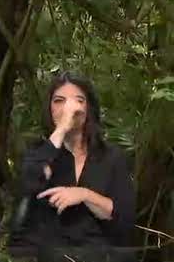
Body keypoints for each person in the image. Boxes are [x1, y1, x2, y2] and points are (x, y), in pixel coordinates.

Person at [11, 71, 135, 249]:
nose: (68, 107)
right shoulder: (38, 152)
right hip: (49, 259)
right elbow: (30, 182)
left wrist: (84, 195)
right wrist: (62, 128)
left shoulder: (111, 157)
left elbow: (123, 218)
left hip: (99, 259)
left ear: (88, 109)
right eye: (59, 101)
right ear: (50, 109)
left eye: (78, 100)